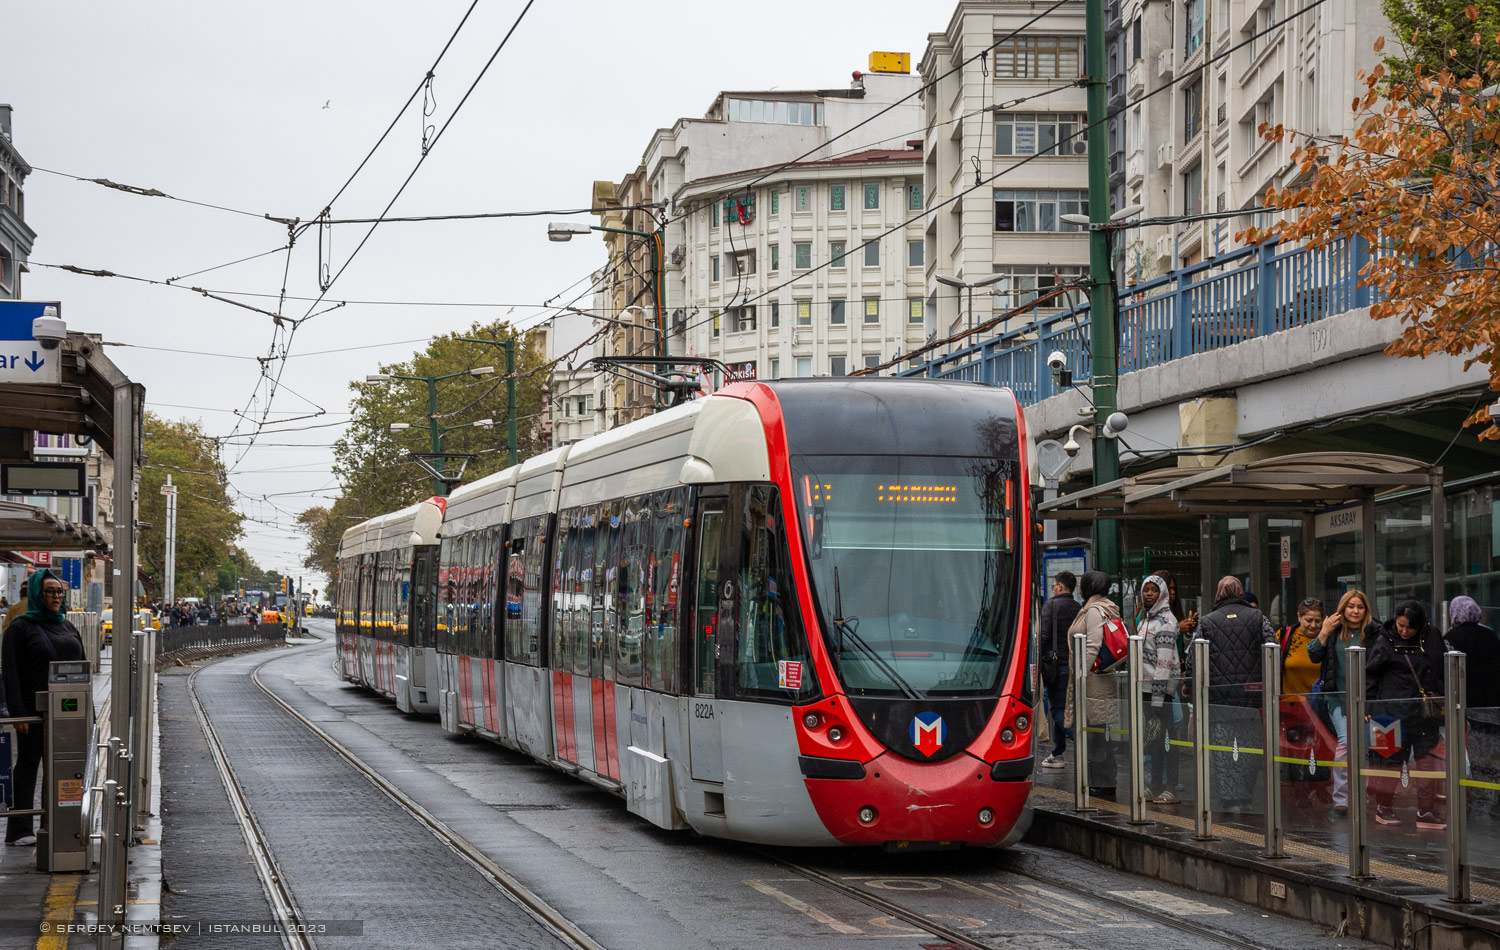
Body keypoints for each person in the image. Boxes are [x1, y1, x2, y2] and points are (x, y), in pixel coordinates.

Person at [3, 570, 86, 846]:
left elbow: (83, 668)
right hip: (34, 712)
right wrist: (18, 712)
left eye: (59, 592)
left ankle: (60, 824)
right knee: (28, 765)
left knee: (66, 767)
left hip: (69, 712)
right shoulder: (21, 627)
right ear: (37, 594)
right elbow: (11, 672)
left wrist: (90, 713)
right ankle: (20, 830)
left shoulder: (67, 625)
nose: (56, 596)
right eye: (50, 591)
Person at [1184, 575, 1275, 809]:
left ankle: (1229, 799)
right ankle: (1246, 799)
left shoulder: (1207, 622)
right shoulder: (1258, 617)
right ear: (1241, 592)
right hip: (1251, 700)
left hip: (1219, 701)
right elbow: (1273, 649)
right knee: (1249, 751)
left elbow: (1193, 659)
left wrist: (1188, 684)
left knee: (1224, 753)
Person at [1365, 599, 1446, 829]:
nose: (1404, 631)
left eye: (1410, 627)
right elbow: (1370, 675)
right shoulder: (1385, 639)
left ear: (1420, 625)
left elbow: (1442, 667)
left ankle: (1426, 810)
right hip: (1391, 713)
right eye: (1401, 625)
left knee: (1426, 762)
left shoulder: (1432, 636)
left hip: (1425, 712)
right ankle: (1384, 807)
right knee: (1390, 762)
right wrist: (1369, 708)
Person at [1307, 589, 1380, 815]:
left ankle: (1360, 796)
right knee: (1346, 743)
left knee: (1363, 747)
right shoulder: (1334, 631)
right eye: (1351, 606)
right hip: (1337, 699)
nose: (1355, 611)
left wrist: (1372, 704)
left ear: (1366, 610)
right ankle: (1342, 798)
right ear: (1343, 608)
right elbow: (1313, 654)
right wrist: (1324, 631)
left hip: (1367, 700)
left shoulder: (1375, 632)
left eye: (1360, 607)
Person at [1064, 571, 1121, 795]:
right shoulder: (1101, 607)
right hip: (1098, 680)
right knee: (1097, 733)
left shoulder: (1095, 610)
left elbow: (1093, 645)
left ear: (1088, 588)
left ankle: (1104, 783)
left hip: (1093, 682)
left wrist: (1081, 674)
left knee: (1096, 734)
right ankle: (1100, 780)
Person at [1136, 574, 1182, 803]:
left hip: (1160, 692)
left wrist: (1157, 698)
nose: (1149, 594)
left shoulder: (1166, 621)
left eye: (1154, 590)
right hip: (1147, 689)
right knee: (1154, 739)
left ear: (1161, 594)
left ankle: (1170, 786)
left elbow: (1164, 663)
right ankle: (1154, 784)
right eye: (1146, 590)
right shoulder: (1146, 620)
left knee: (1167, 740)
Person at [1038, 571, 1081, 769]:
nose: (1053, 589)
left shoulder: (1051, 606)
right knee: (1066, 707)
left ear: (1059, 587)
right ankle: (1058, 752)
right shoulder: (1078, 608)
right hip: (1074, 665)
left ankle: (1083, 743)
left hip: (1056, 667)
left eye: (1054, 585)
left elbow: (1043, 636)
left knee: (1057, 709)